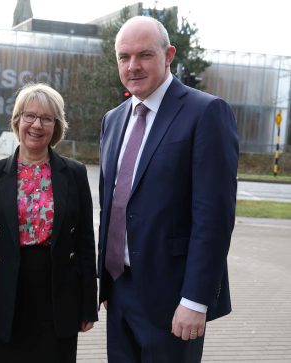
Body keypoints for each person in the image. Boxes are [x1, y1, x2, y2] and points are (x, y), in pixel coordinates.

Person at [98, 16, 238, 362]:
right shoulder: (113, 120)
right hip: (118, 291)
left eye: (144, 55)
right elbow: (113, 205)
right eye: (124, 57)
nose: (133, 66)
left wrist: (195, 300)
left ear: (169, 55)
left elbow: (214, 218)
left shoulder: (205, 112)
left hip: (173, 301)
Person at [0, 83, 98, 363]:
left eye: (47, 118)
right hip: (5, 295)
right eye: (30, 116)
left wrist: (88, 306)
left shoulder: (74, 173)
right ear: (17, 120)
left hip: (58, 296)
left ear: (56, 126)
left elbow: (85, 242)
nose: (37, 125)